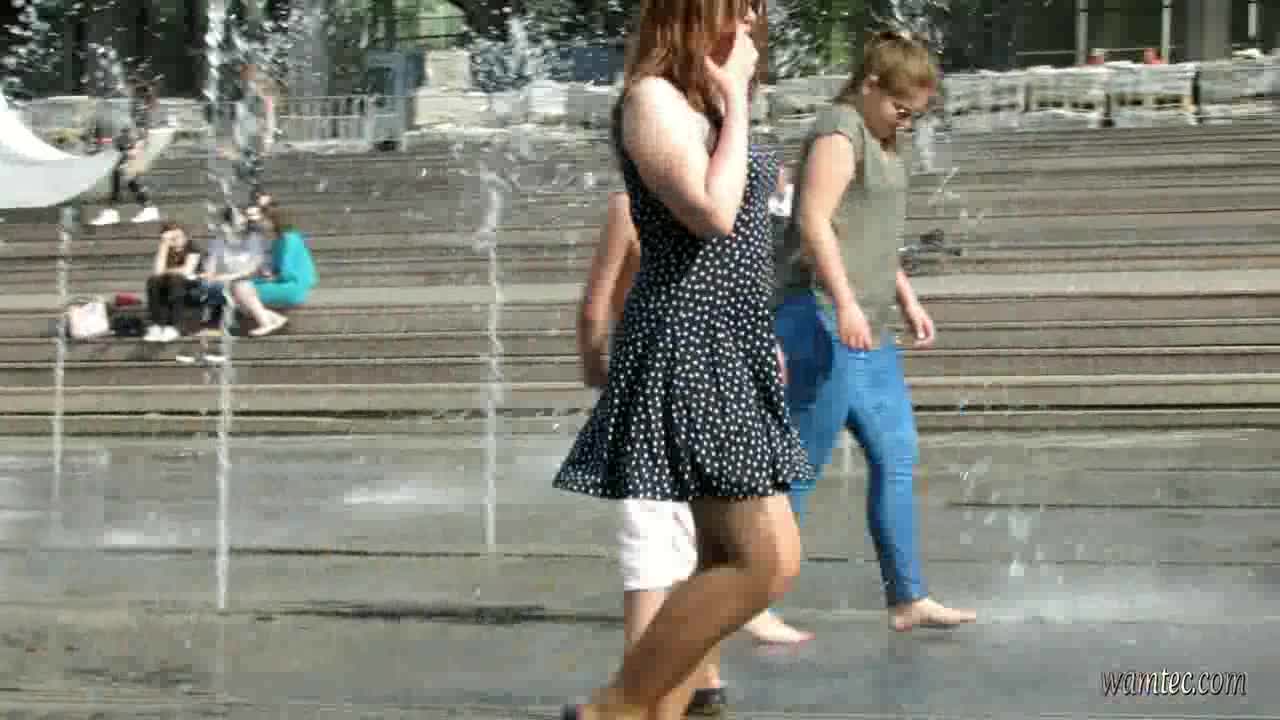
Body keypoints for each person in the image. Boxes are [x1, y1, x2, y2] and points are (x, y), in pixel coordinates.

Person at [553, 2, 812, 719]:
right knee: (766, 560)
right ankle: (613, 709)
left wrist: (759, 334)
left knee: (724, 558)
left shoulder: (703, 105)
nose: (753, 18)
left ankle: (663, 707)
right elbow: (712, 211)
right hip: (687, 342)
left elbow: (744, 239)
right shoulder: (651, 100)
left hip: (731, 340)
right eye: (738, 4)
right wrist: (736, 101)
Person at [773, 30, 977, 633]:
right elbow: (814, 222)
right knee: (801, 465)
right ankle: (749, 598)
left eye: (915, 114)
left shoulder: (885, 138)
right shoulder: (841, 132)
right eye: (899, 108)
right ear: (868, 86)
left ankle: (907, 598)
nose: (906, 122)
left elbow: (873, 234)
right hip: (820, 317)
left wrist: (906, 299)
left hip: (868, 325)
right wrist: (844, 304)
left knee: (897, 456)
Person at [580, 191, 812, 717]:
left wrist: (598, 372)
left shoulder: (629, 207)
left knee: (655, 554)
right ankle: (696, 683)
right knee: (706, 551)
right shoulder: (717, 207)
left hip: (654, 388)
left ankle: (649, 692)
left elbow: (594, 309)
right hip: (712, 391)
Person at [226, 204, 316, 337]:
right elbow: (277, 269)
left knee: (240, 289)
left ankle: (267, 322)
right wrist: (266, 274)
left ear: (273, 220)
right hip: (286, 283)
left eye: (263, 220)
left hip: (293, 286)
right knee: (236, 290)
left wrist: (269, 277)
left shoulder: (289, 239)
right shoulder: (280, 240)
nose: (260, 223)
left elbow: (287, 272)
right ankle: (276, 319)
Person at [89, 78, 161, 226]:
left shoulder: (138, 105)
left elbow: (141, 128)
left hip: (132, 145)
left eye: (125, 86)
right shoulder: (136, 103)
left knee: (120, 174)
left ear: (133, 87)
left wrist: (136, 147)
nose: (121, 89)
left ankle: (114, 211)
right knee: (126, 176)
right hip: (127, 144)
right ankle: (147, 207)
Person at [143, 222, 201, 342]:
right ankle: (157, 326)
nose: (177, 240)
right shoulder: (166, 249)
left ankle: (174, 326)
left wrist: (166, 271)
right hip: (169, 284)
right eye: (173, 238)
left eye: (179, 236)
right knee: (153, 281)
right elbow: (157, 272)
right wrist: (164, 245)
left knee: (175, 280)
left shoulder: (192, 247)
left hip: (191, 285)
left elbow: (187, 270)